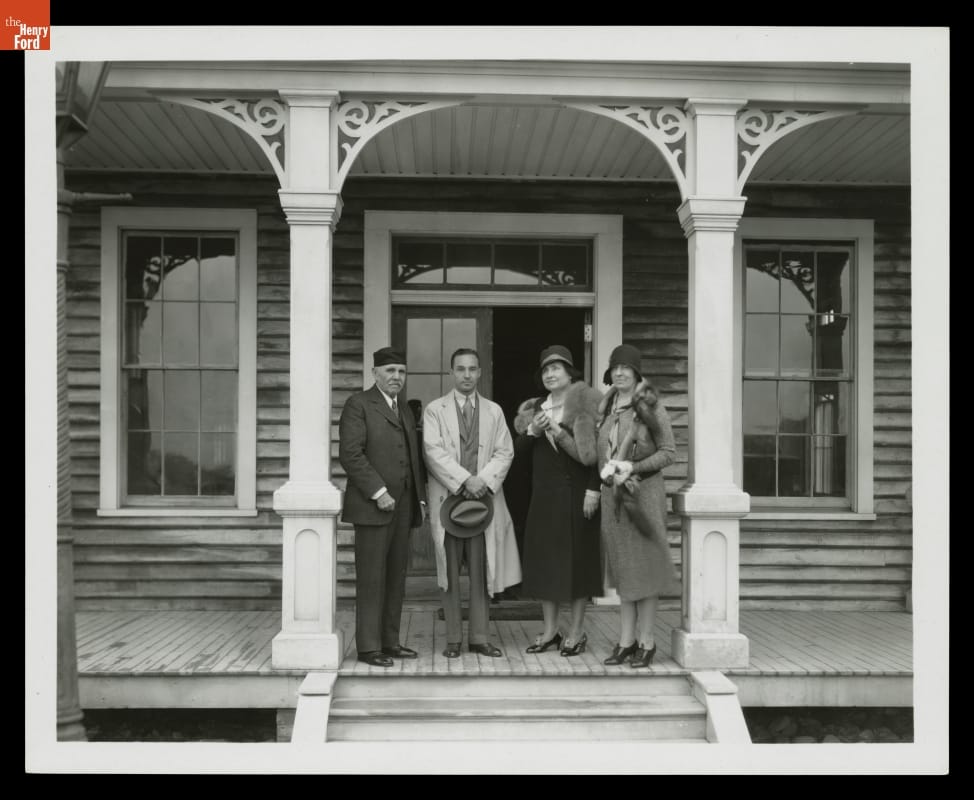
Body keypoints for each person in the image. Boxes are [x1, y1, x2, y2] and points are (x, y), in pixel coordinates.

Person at [422, 348, 521, 658]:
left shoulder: (494, 411)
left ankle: (479, 638)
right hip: (449, 501)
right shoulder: (435, 410)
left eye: (472, 369)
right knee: (449, 574)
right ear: (452, 372)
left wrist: (483, 482)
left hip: (482, 503)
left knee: (481, 572)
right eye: (461, 369)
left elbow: (505, 451)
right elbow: (432, 451)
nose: (467, 374)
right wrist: (466, 480)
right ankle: (453, 639)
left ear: (479, 372)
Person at [338, 347, 427, 668]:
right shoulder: (359, 404)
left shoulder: (404, 410)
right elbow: (351, 454)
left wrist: (418, 498)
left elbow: (413, 457)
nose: (396, 377)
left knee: (395, 577)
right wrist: (378, 492)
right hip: (373, 506)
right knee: (372, 578)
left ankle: (390, 641)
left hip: (403, 506)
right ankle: (368, 647)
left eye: (401, 371)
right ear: (375, 373)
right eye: (390, 371)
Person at [513, 345, 603, 657]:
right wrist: (532, 432)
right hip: (545, 497)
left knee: (579, 565)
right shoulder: (534, 408)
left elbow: (599, 453)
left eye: (556, 368)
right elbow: (517, 455)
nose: (550, 374)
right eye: (545, 370)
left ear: (569, 372)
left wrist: (594, 489)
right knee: (545, 565)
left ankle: (576, 632)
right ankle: (550, 631)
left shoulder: (587, 403)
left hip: (580, 495)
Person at [596, 344, 677, 669]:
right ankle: (626, 641)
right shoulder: (607, 408)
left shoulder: (650, 407)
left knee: (645, 568)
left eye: (625, 368)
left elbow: (669, 452)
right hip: (613, 499)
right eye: (615, 367)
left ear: (636, 372)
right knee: (624, 569)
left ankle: (647, 641)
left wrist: (634, 467)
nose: (619, 373)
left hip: (644, 496)